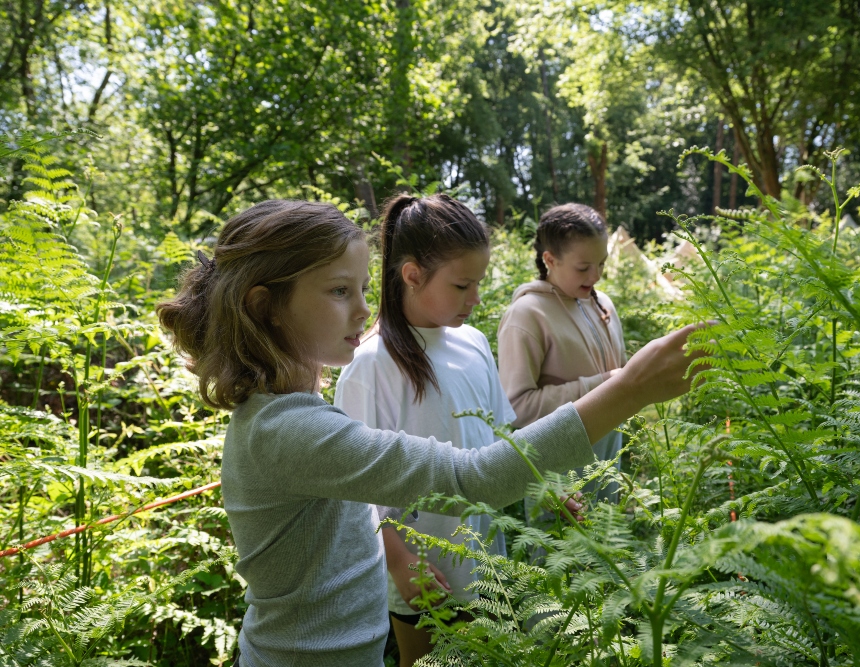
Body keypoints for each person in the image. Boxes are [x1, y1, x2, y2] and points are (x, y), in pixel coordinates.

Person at [155, 198, 706, 667]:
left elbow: (498, 435)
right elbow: (475, 477)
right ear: (266, 307)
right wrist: (628, 389)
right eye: (339, 291)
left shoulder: (295, 413)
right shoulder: (287, 430)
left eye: (363, 287)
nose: (364, 308)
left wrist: (547, 483)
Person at [333, 194, 524, 667]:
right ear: (413, 274)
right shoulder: (369, 364)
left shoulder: (474, 342)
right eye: (462, 285)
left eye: (478, 283)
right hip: (421, 570)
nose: (476, 299)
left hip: (486, 561)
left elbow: (502, 437)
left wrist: (547, 485)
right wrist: (398, 561)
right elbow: (352, 486)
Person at [497, 203, 626, 511]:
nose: (595, 276)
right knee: (559, 557)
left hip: (609, 464)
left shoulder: (602, 303)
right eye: (583, 268)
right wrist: (602, 384)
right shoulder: (526, 315)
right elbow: (516, 408)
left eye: (602, 264)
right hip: (559, 484)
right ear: (550, 260)